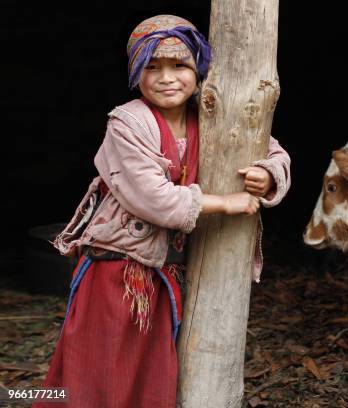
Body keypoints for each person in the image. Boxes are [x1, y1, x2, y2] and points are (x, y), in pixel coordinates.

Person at [33, 14, 291, 408]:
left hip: (164, 275)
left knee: (152, 373)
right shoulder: (127, 123)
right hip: (115, 272)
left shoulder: (211, 114)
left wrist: (267, 174)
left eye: (180, 66)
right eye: (152, 67)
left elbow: (271, 149)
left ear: (198, 69)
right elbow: (153, 198)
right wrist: (223, 202)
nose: (167, 78)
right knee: (99, 370)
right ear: (136, 72)